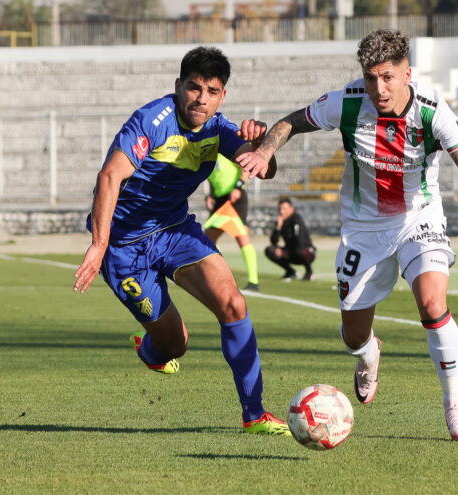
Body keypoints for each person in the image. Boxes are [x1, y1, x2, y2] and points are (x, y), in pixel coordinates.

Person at [237, 29, 458, 442]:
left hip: (419, 219)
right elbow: (291, 122)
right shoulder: (348, 101)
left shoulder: (432, 110)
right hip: (363, 228)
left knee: (432, 304)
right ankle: (369, 354)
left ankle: (455, 406)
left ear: (406, 73)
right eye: (372, 77)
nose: (380, 87)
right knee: (354, 334)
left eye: (389, 77)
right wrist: (266, 151)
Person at [72, 46, 289, 436]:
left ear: (223, 96)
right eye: (194, 87)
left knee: (233, 303)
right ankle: (152, 350)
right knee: (176, 344)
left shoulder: (219, 129)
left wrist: (262, 148)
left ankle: (254, 414)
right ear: (179, 86)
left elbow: (264, 170)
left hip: (174, 231)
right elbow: (109, 178)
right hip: (123, 248)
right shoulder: (151, 120)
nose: (201, 98)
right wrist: (100, 244)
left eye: (212, 91)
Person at [202, 154, 259, 291]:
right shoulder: (205, 154)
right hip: (220, 200)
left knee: (242, 237)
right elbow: (212, 177)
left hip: (235, 198)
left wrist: (238, 187)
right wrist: (211, 195)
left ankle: (253, 281)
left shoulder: (226, 151)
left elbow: (245, 169)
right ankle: (217, 275)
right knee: (208, 238)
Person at [264, 197, 316, 281]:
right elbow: (274, 242)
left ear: (291, 209)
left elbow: (299, 240)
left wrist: (287, 251)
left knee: (299, 250)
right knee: (270, 250)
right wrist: (278, 227)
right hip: (291, 251)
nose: (281, 211)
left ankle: (309, 272)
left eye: (284, 208)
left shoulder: (296, 219)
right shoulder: (281, 221)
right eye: (280, 209)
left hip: (306, 251)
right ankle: (290, 272)